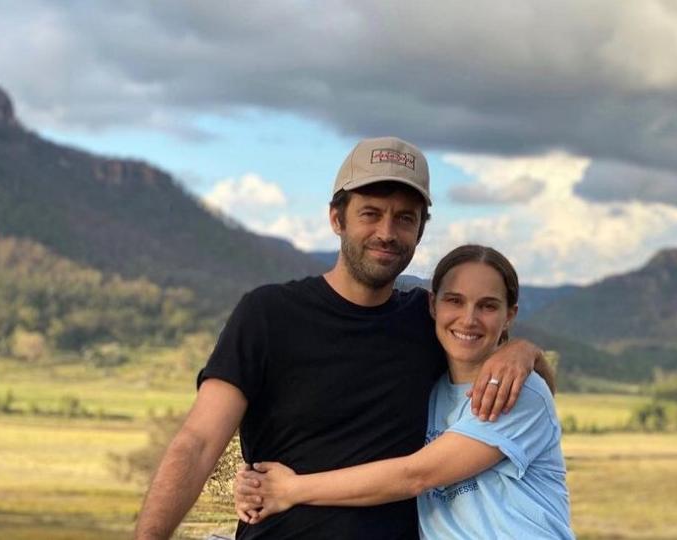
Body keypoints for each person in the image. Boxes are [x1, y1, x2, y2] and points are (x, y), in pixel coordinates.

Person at [134, 137, 550, 540]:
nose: (387, 232)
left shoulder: (429, 323)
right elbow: (199, 441)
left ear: (420, 231)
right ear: (337, 218)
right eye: (371, 213)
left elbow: (512, 373)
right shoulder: (268, 314)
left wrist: (521, 351)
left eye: (405, 218)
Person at [235, 245, 574, 539]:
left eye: (487, 306)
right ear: (433, 306)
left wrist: (289, 490)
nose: (469, 319)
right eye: (455, 301)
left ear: (509, 315)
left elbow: (416, 475)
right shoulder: (433, 388)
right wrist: (255, 483)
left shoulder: (515, 391)